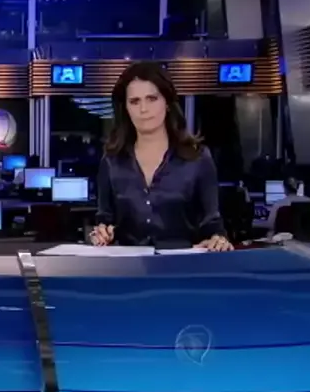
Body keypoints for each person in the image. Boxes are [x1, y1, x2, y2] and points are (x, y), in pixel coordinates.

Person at [90, 61, 232, 251]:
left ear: (167, 102)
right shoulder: (111, 161)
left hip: (184, 265)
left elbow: (212, 223)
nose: (143, 109)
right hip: (129, 266)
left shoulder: (198, 158)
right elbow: (104, 219)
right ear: (126, 108)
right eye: (135, 101)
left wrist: (217, 239)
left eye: (152, 98)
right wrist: (101, 233)